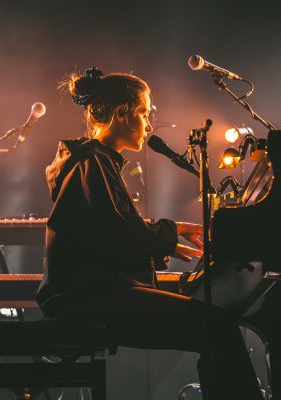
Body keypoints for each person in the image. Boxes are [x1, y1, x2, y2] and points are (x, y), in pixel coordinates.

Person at [36, 67, 264, 400]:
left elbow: (113, 229)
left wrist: (170, 235)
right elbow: (119, 235)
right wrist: (168, 236)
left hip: (87, 293)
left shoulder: (92, 161)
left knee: (212, 326)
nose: (148, 125)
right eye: (144, 113)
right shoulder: (93, 163)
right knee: (214, 326)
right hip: (88, 299)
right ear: (122, 113)